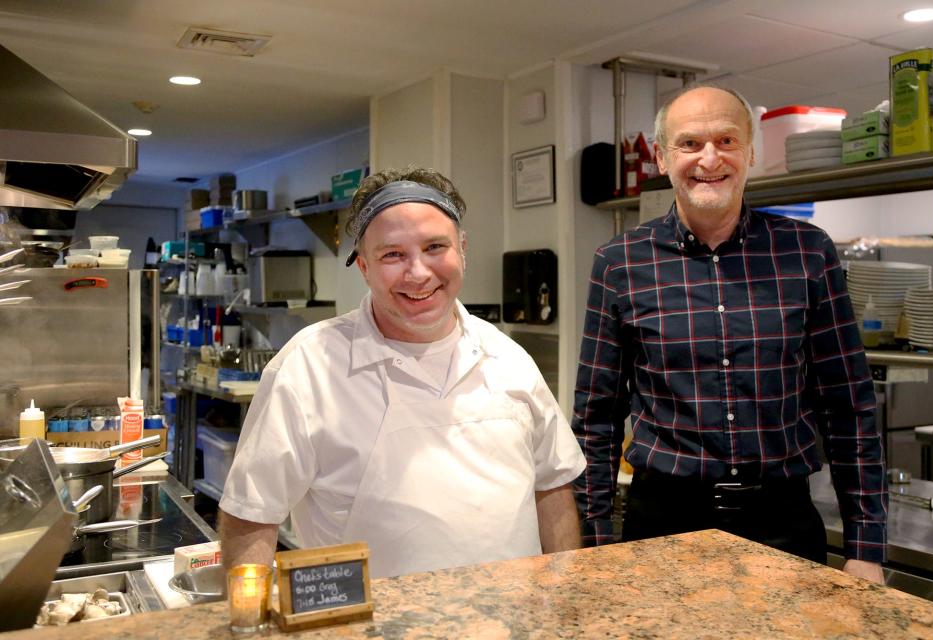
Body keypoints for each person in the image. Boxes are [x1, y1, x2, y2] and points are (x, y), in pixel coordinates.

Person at [572, 85, 887, 583]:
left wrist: (865, 547)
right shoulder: (620, 262)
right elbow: (596, 420)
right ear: (662, 156)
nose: (709, 158)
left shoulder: (807, 252)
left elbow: (849, 406)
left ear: (751, 152)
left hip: (783, 525)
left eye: (726, 140)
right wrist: (592, 544)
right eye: (690, 143)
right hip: (662, 526)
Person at [219, 166, 585, 578]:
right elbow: (252, 516)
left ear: (462, 249)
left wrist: (562, 599)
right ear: (363, 267)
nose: (418, 273)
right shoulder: (307, 368)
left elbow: (551, 487)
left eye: (435, 247)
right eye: (393, 254)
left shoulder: (509, 358)